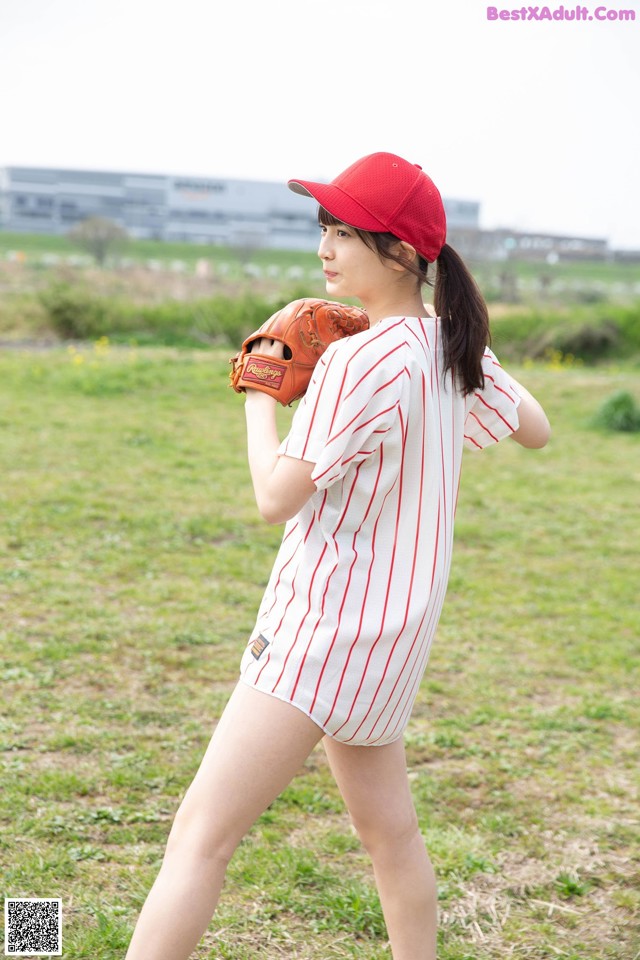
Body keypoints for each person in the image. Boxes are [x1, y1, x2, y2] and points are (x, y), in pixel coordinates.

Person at [124, 152, 550, 960]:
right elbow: (538, 428)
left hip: (317, 635)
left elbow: (274, 498)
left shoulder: (356, 360)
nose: (325, 245)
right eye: (323, 226)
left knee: (200, 836)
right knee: (391, 839)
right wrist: (471, 354)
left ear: (398, 252)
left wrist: (259, 396)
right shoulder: (450, 347)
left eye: (345, 231)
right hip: (390, 647)